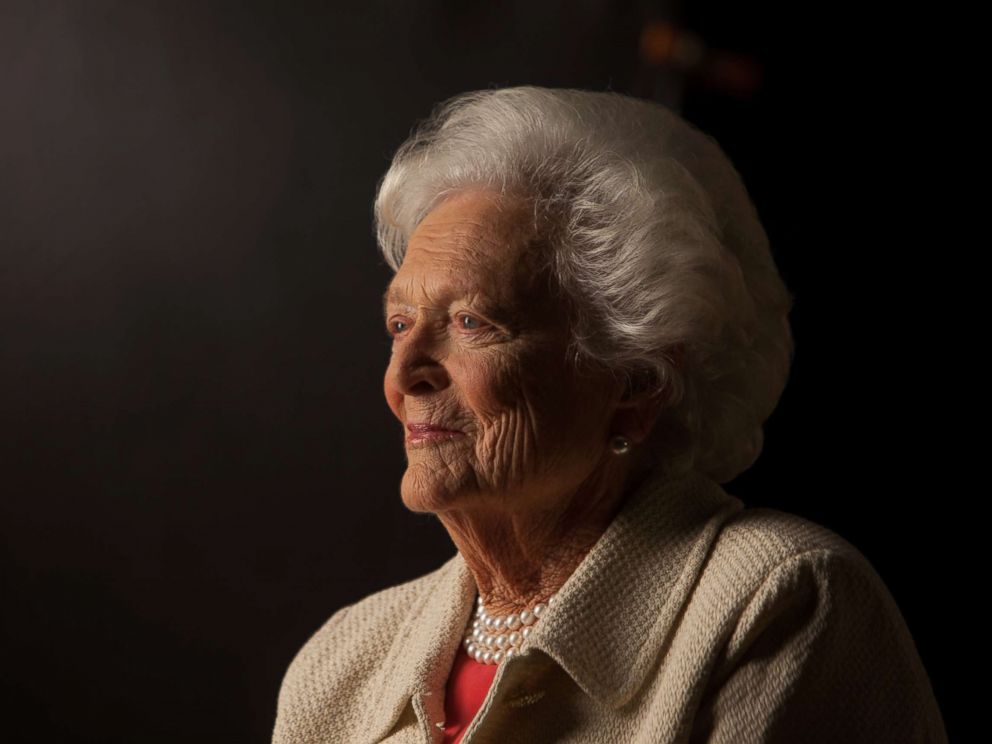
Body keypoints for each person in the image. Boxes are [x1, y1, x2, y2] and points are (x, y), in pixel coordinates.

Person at [271, 86, 947, 744]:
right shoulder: (344, 661)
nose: (405, 374)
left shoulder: (777, 607)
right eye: (400, 323)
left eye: (471, 322)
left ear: (635, 379)